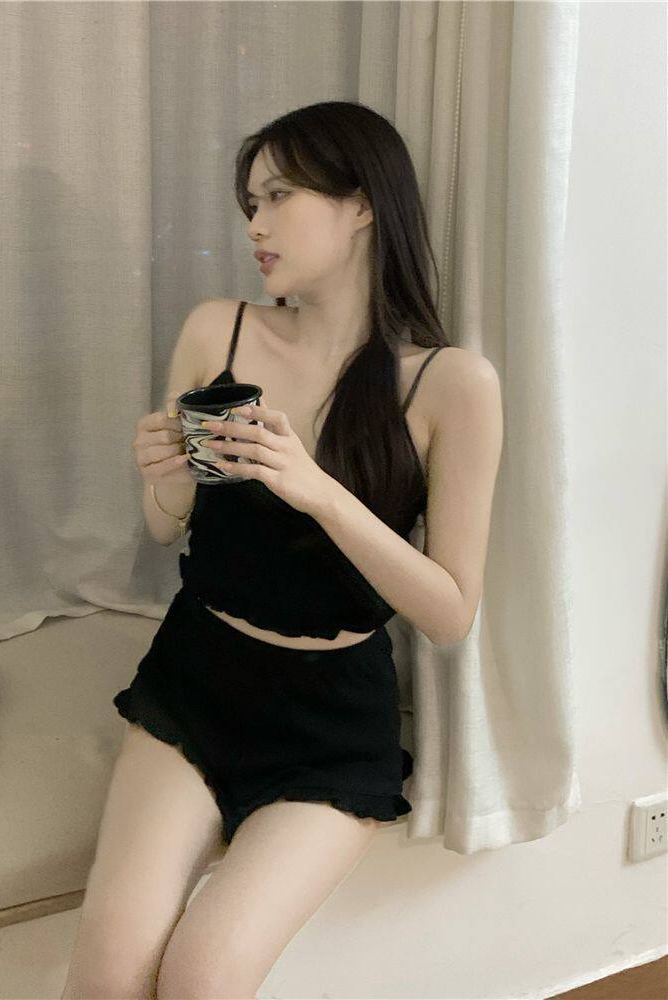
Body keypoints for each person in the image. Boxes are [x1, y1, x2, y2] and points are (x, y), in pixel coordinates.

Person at [62, 100, 503, 1000]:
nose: (254, 226)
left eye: (278, 197)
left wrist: (317, 488)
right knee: (107, 976)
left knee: (203, 977)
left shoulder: (449, 383)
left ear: (362, 204)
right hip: (198, 676)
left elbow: (452, 612)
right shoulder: (218, 330)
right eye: (250, 204)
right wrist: (166, 475)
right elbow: (165, 525)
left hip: (331, 724)